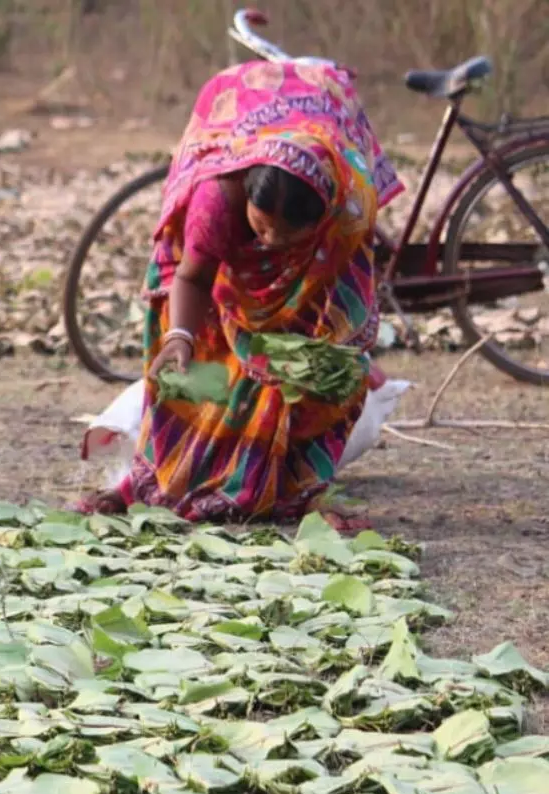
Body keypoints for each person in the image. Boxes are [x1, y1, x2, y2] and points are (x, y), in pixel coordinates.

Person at [77, 59, 402, 529]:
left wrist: (330, 353)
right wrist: (181, 336)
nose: (270, 242)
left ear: (318, 226)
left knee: (324, 380)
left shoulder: (346, 213)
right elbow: (191, 278)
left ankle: (300, 487)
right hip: (211, 275)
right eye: (262, 225)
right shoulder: (216, 202)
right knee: (193, 380)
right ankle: (151, 482)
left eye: (287, 236)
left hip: (311, 269)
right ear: (248, 195)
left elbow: (346, 296)